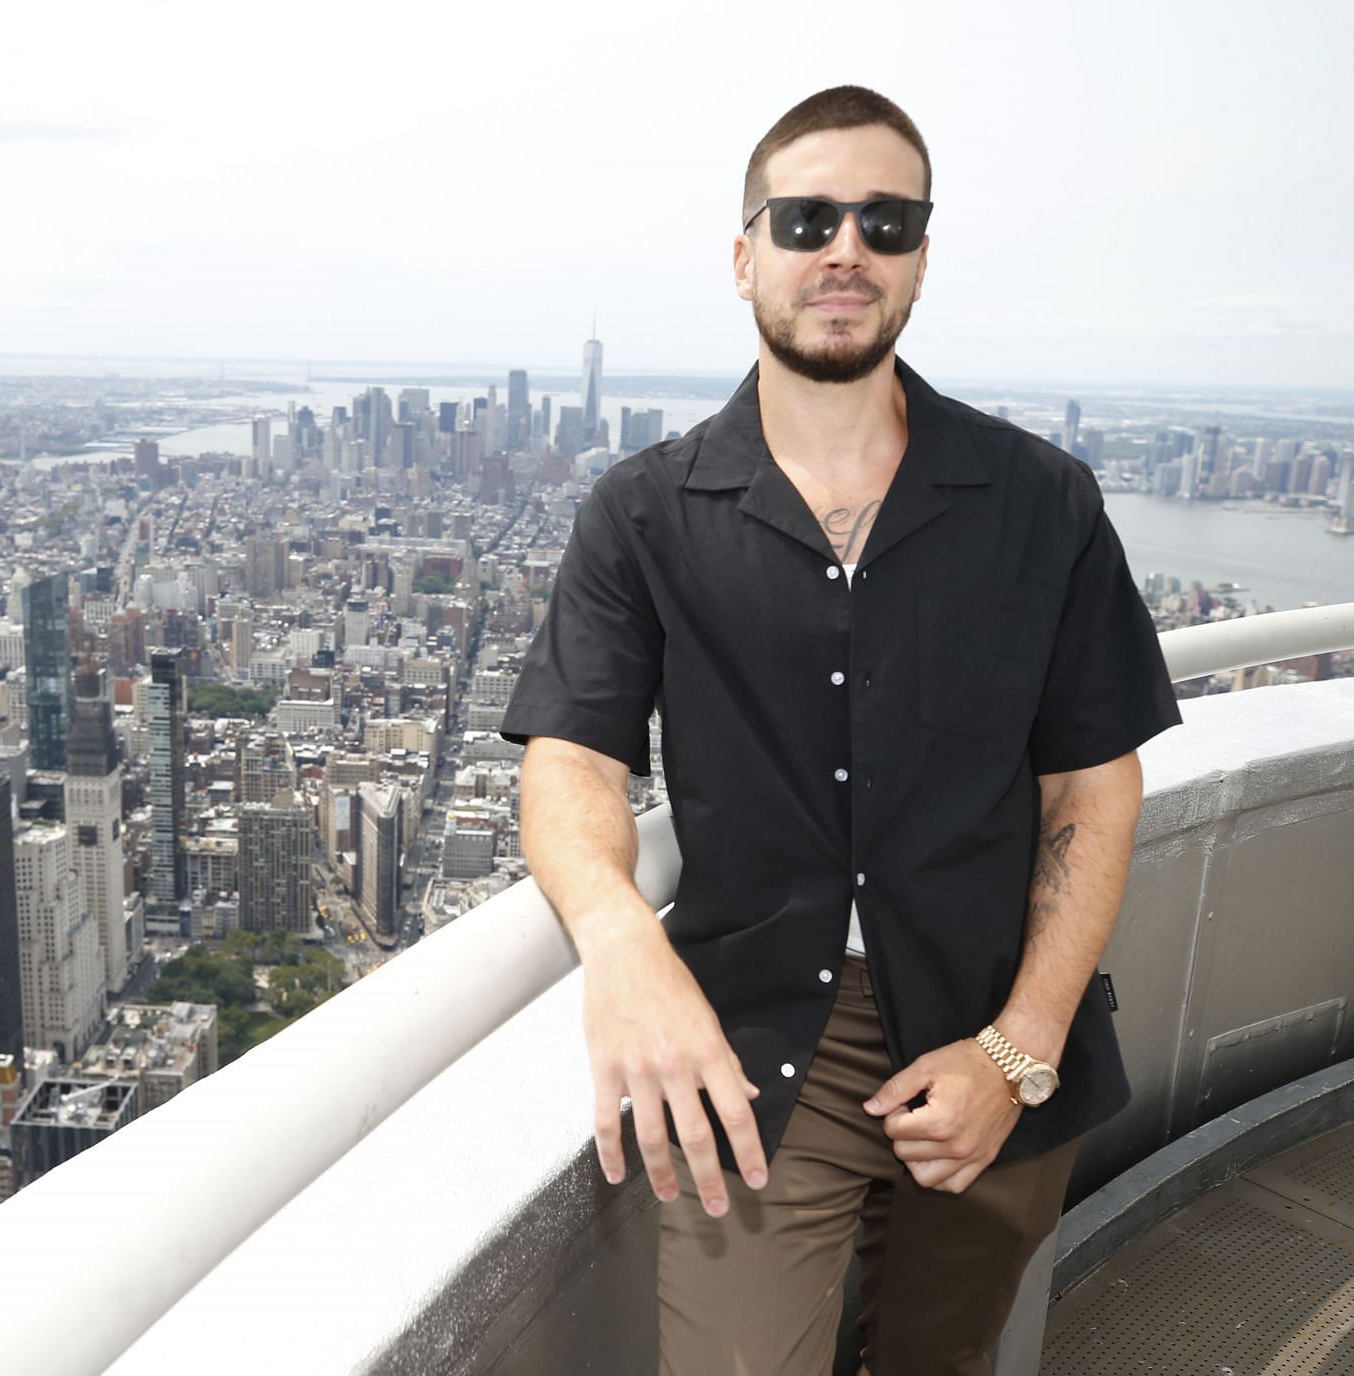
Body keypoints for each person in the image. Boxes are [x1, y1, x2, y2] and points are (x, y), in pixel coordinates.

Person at [497, 85, 1182, 1376]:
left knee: (944, 1360)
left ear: (922, 259)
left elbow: (1094, 787)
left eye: (886, 220)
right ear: (746, 252)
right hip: (755, 1040)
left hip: (991, 1019)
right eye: (809, 218)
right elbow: (575, 757)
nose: (845, 251)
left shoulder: (1042, 503)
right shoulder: (644, 514)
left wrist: (1020, 1050)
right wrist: (620, 947)